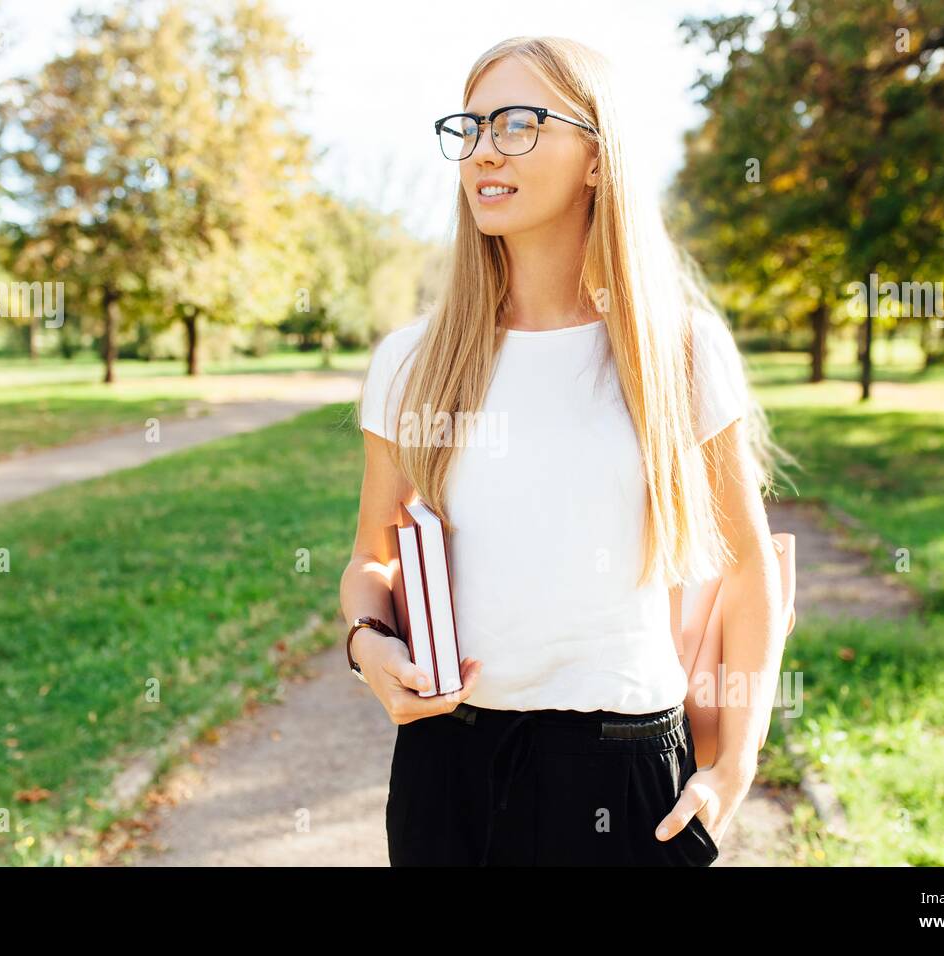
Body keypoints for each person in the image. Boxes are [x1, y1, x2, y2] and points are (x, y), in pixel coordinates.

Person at [338, 35, 791, 866]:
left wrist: (736, 764)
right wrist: (368, 643)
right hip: (449, 767)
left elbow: (750, 567)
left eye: (516, 124)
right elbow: (372, 558)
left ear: (595, 155)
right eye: (468, 128)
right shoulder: (412, 360)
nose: (482, 151)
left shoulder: (679, 351)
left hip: (624, 773)